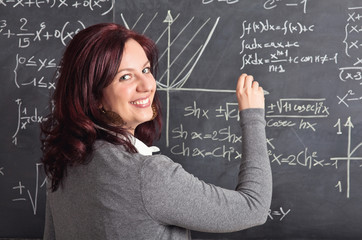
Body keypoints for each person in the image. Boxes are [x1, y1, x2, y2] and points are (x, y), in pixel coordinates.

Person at [41, 23, 272, 240]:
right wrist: (252, 116)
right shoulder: (147, 175)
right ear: (95, 97)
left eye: (146, 69)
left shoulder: (64, 161)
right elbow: (254, 207)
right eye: (125, 76)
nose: (147, 85)